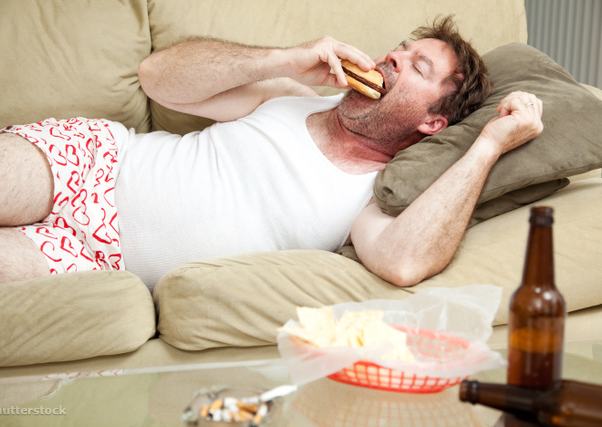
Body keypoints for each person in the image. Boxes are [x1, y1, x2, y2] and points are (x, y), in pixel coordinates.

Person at [0, 17, 543, 288]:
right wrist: (284, 60)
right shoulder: (289, 95)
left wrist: (489, 144)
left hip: (94, 261)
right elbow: (157, 77)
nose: (394, 59)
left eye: (418, 67)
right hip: (93, 163)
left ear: (433, 123)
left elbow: (404, 263)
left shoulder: (374, 198)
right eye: (400, 51)